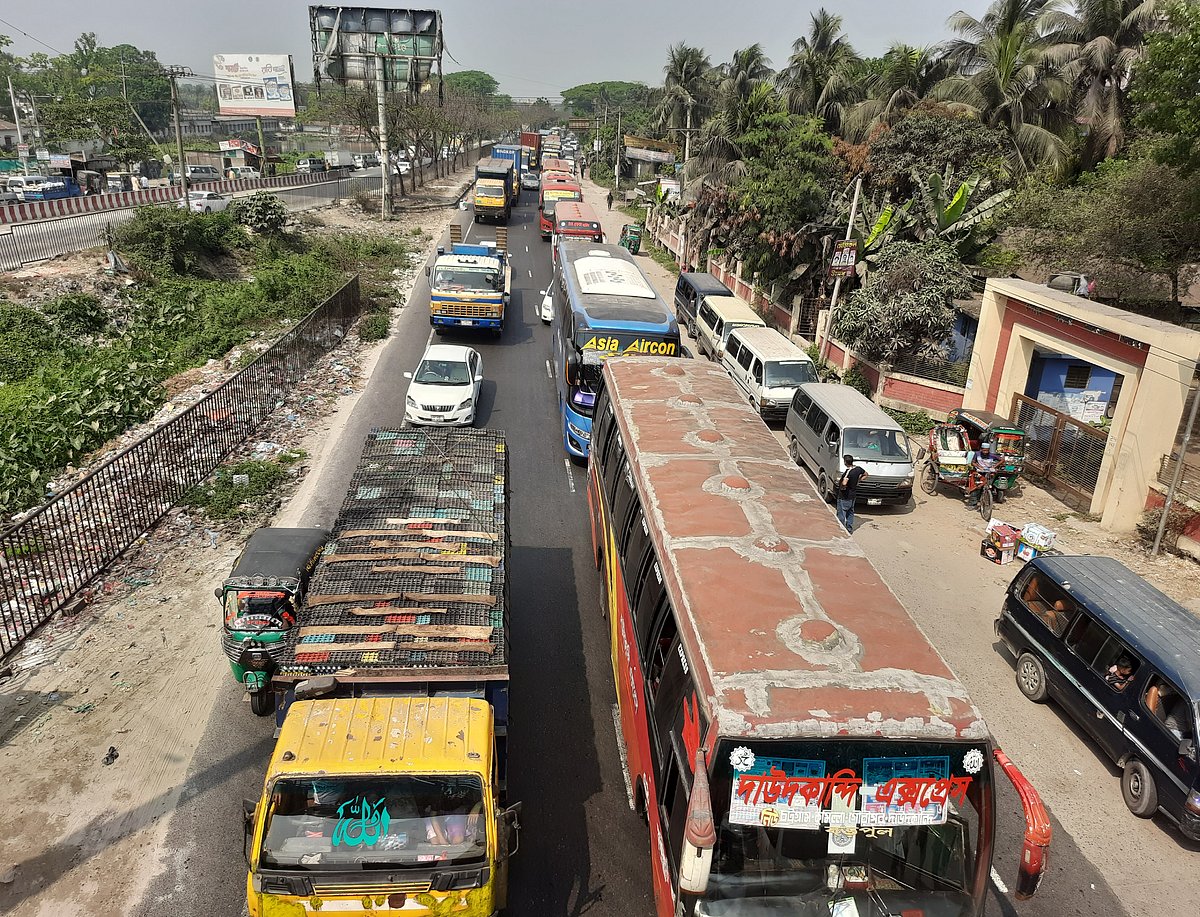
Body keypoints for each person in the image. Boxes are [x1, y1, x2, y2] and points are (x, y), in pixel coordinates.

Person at [835, 454, 867, 534]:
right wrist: (858, 481)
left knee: (842, 512)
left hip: (845, 496)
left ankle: (841, 530)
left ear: (845, 462)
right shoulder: (858, 469)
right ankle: (849, 529)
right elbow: (866, 474)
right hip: (853, 495)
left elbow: (845, 483)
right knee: (850, 512)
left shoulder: (848, 472)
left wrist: (842, 485)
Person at [966, 442, 999, 507]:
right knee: (977, 488)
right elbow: (973, 462)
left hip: (988, 472)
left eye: (987, 450)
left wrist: (994, 466)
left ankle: (986, 501)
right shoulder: (977, 454)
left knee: (988, 486)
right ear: (981, 449)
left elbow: (1002, 460)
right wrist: (978, 466)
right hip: (979, 473)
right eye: (984, 450)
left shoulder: (992, 455)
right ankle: (972, 504)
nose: (985, 452)